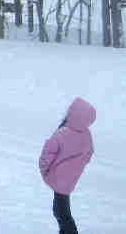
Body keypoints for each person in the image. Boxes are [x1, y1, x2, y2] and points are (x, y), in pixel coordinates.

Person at [39, 97, 96, 234]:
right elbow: (89, 154)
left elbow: (46, 154)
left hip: (58, 177)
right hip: (70, 179)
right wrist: (76, 166)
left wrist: (45, 170)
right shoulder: (86, 134)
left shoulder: (62, 133)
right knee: (60, 208)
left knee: (61, 211)